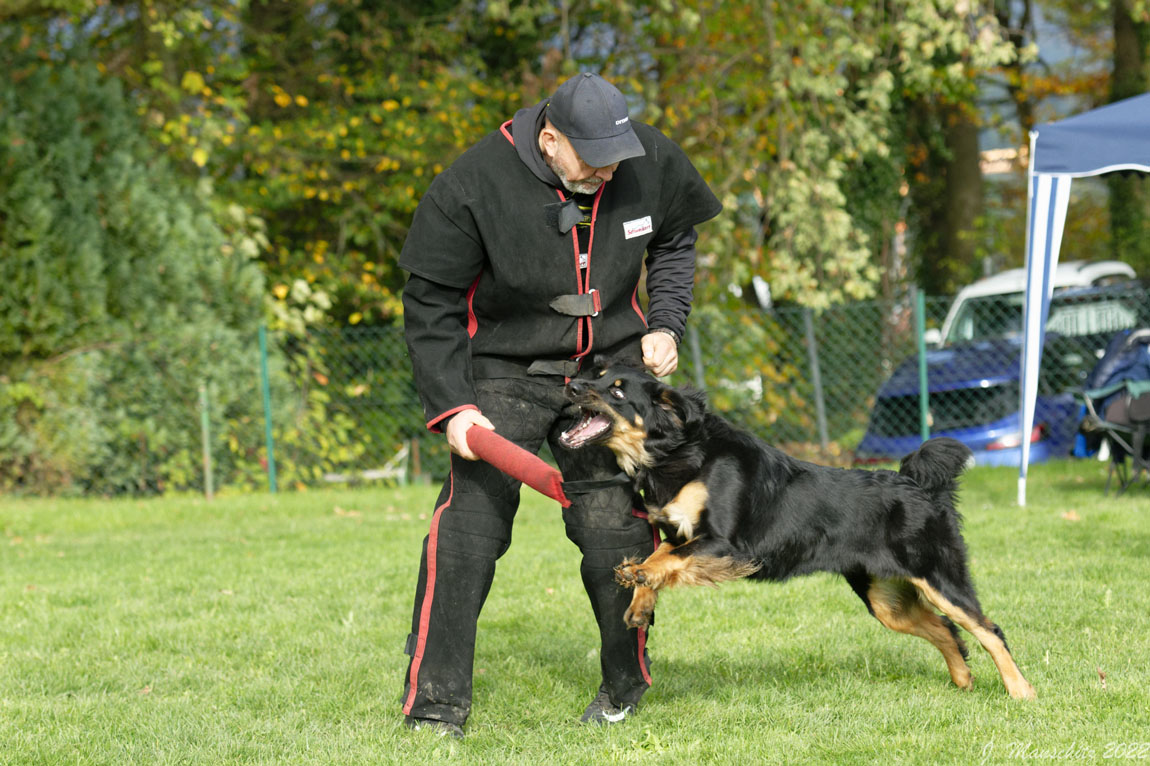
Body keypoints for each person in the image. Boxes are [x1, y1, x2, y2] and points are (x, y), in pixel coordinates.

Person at [398, 72, 721, 738]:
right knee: (468, 530)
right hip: (504, 372)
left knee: (615, 529)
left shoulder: (645, 160)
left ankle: (624, 684)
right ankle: (435, 707)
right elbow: (429, 299)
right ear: (549, 140)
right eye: (592, 159)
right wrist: (454, 406)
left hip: (610, 372)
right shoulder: (471, 184)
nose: (608, 170)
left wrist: (665, 322)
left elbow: (676, 238)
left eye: (617, 156)